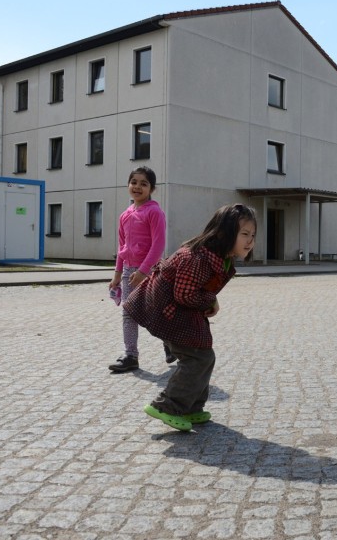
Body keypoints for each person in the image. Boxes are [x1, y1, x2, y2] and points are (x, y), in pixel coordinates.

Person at [124, 204, 257, 431]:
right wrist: (209, 300)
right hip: (168, 312)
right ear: (224, 234)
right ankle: (167, 405)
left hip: (181, 312)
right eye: (244, 234)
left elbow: (198, 290)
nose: (250, 241)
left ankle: (192, 407)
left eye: (253, 235)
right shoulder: (197, 257)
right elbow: (184, 293)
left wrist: (210, 300)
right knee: (197, 358)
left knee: (205, 356)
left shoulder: (220, 258)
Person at [108, 167, 168, 373]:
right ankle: (130, 355)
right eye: (134, 182)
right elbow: (121, 246)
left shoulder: (154, 212)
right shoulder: (125, 215)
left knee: (154, 311)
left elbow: (158, 245)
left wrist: (143, 271)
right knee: (128, 313)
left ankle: (171, 345)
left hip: (149, 272)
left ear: (152, 188)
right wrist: (117, 274)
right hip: (127, 272)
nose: (137, 186)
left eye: (144, 183)